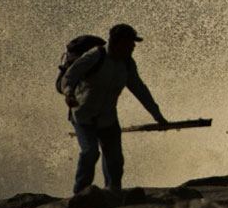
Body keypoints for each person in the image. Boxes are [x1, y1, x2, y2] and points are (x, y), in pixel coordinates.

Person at [62, 23, 167, 193]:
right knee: (90, 153)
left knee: (115, 159)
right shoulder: (95, 56)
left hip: (108, 118)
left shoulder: (127, 63)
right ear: (117, 42)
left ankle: (113, 191)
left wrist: (157, 115)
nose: (133, 46)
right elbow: (70, 75)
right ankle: (81, 193)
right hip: (83, 116)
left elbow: (140, 90)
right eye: (130, 42)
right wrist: (69, 94)